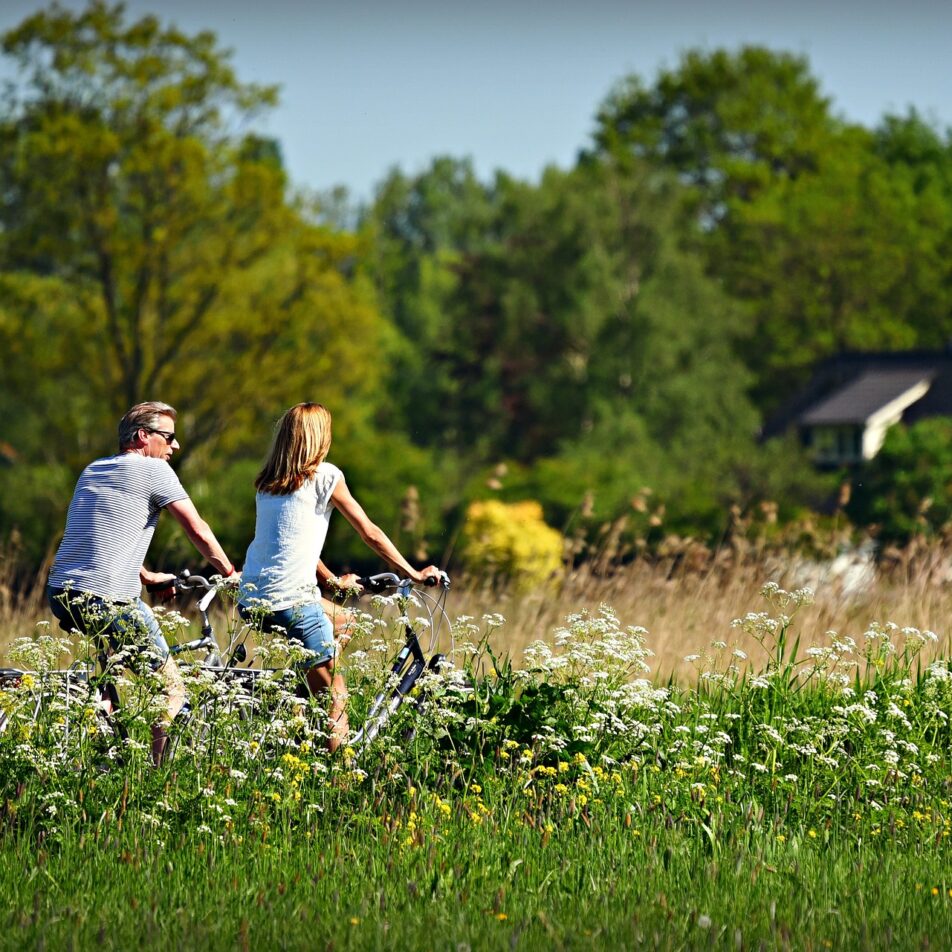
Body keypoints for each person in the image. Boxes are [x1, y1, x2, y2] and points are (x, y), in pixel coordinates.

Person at [238, 402, 441, 752]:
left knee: (343, 620)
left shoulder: (268, 484)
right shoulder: (326, 476)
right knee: (337, 693)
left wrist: (330, 580)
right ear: (319, 438)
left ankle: (302, 697)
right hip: (293, 601)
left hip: (253, 596)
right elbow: (369, 532)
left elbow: (290, 543)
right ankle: (340, 780)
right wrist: (413, 573)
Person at [47, 401, 238, 765]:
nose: (175, 446)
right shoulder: (154, 471)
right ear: (142, 437)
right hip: (108, 598)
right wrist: (230, 573)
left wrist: (146, 575)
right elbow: (197, 529)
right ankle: (155, 779)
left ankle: (103, 746)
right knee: (172, 690)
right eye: (168, 437)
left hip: (62, 592)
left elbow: (100, 536)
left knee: (108, 682)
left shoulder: (93, 469)